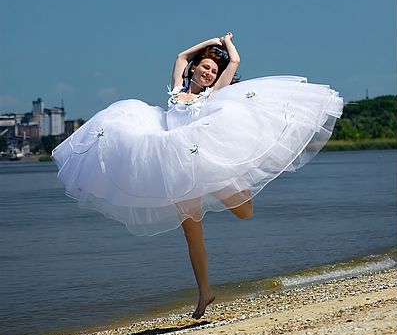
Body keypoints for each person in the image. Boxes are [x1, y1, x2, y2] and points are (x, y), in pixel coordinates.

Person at [52, 32, 343, 319]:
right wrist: (208, 45)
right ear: (195, 68)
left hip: (202, 160)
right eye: (205, 67)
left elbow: (235, 61)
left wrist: (225, 44)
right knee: (193, 236)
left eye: (214, 72)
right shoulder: (176, 90)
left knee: (244, 211)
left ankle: (232, 179)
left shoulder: (211, 95)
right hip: (176, 169)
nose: (209, 73)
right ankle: (204, 292)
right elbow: (181, 56)